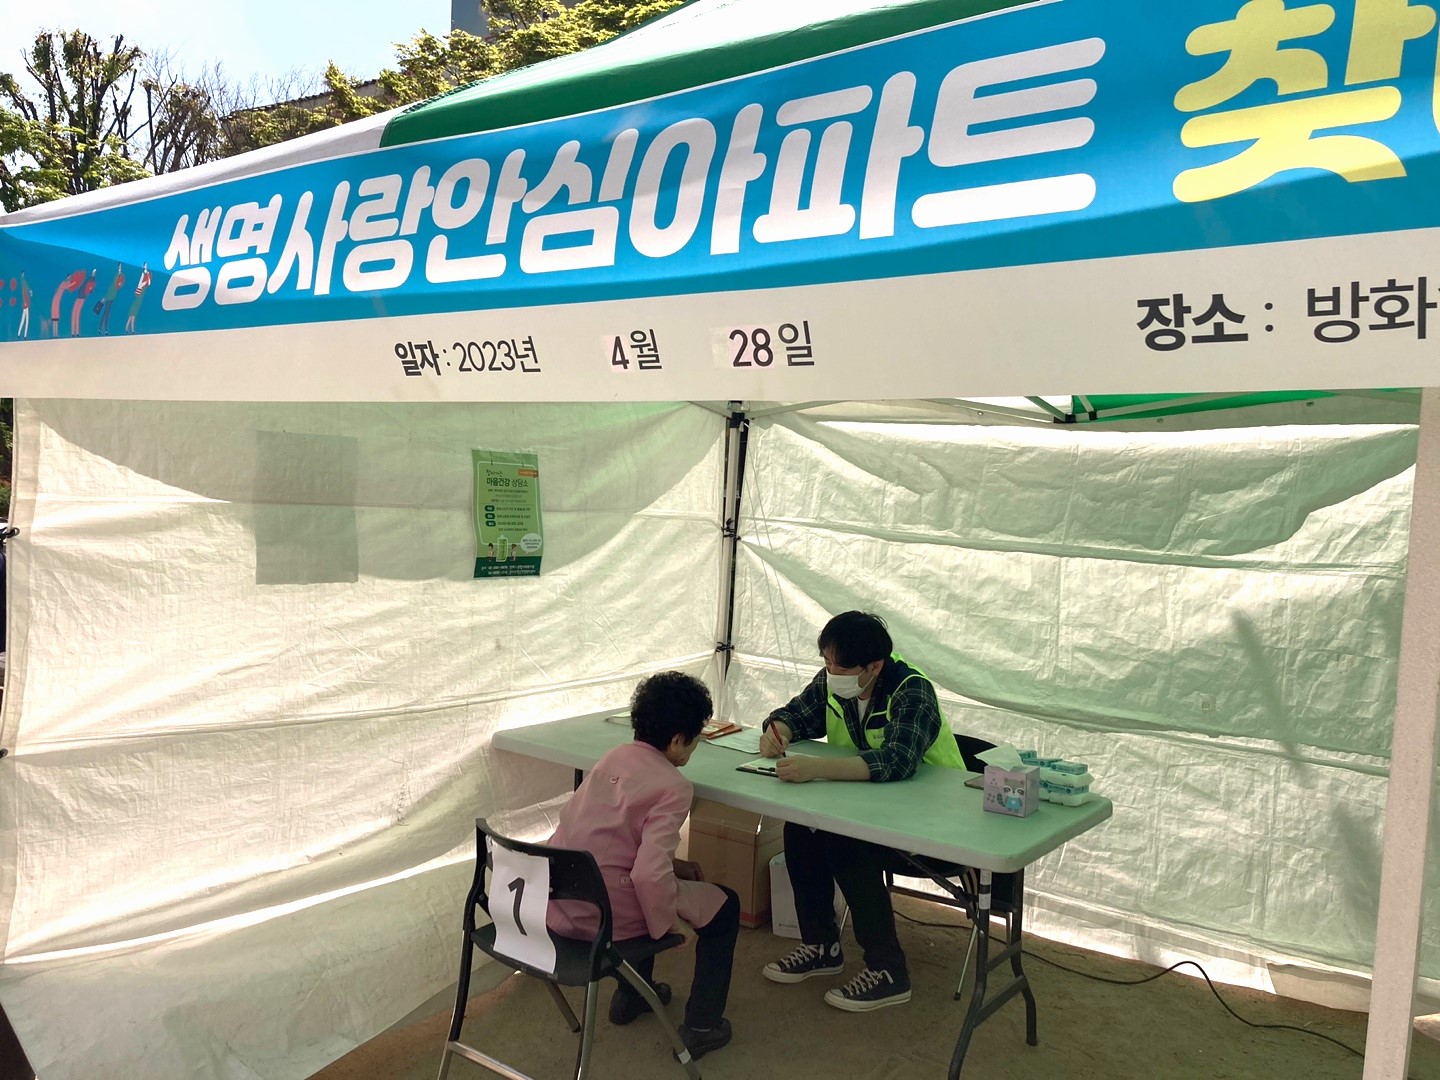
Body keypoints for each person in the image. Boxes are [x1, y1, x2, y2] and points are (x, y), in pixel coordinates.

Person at [757, 611, 964, 1012]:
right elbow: (798, 713)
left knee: (845, 842)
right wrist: (778, 730)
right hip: (875, 808)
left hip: (936, 821)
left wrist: (818, 768)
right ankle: (821, 946)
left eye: (840, 666)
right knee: (801, 827)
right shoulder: (835, 681)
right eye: (826, 661)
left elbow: (898, 760)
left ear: (874, 666)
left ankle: (888, 971)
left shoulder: (911, 690)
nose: (830, 672)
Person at [547, 671, 739, 1058]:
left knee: (651, 885)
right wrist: (670, 923)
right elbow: (648, 875)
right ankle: (702, 1026)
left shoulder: (611, 758)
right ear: (677, 740)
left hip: (562, 903)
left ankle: (631, 996)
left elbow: (607, 841)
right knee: (725, 905)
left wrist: (673, 865)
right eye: (696, 738)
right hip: (607, 916)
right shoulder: (674, 786)